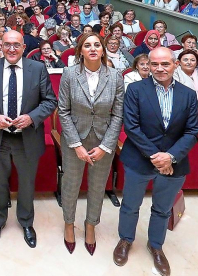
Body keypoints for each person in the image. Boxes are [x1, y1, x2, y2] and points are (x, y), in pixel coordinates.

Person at [114, 47, 198, 276]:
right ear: (147, 66)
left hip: (175, 162)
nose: (159, 69)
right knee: (130, 206)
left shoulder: (188, 94)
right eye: (154, 64)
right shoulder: (134, 89)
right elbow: (131, 127)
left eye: (165, 64)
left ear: (175, 64)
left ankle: (156, 246)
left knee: (162, 210)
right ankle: (125, 240)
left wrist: (170, 157)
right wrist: (157, 157)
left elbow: (192, 131)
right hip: (139, 159)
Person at [0, 30, 57, 248]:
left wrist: (32, 118)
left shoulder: (38, 69)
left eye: (16, 45)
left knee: (27, 184)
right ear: (0, 47)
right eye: (7, 45)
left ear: (24, 47)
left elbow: (50, 101)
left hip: (27, 138)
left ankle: (26, 222)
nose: (11, 49)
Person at [58, 32, 124, 255]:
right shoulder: (69, 74)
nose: (93, 48)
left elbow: (118, 115)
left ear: (103, 49)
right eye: (88, 45)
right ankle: (69, 223)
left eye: (97, 44)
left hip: (103, 141)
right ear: (81, 51)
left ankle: (90, 225)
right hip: (74, 139)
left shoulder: (115, 76)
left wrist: (106, 146)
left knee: (97, 187)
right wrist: (76, 144)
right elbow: (64, 112)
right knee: (71, 185)